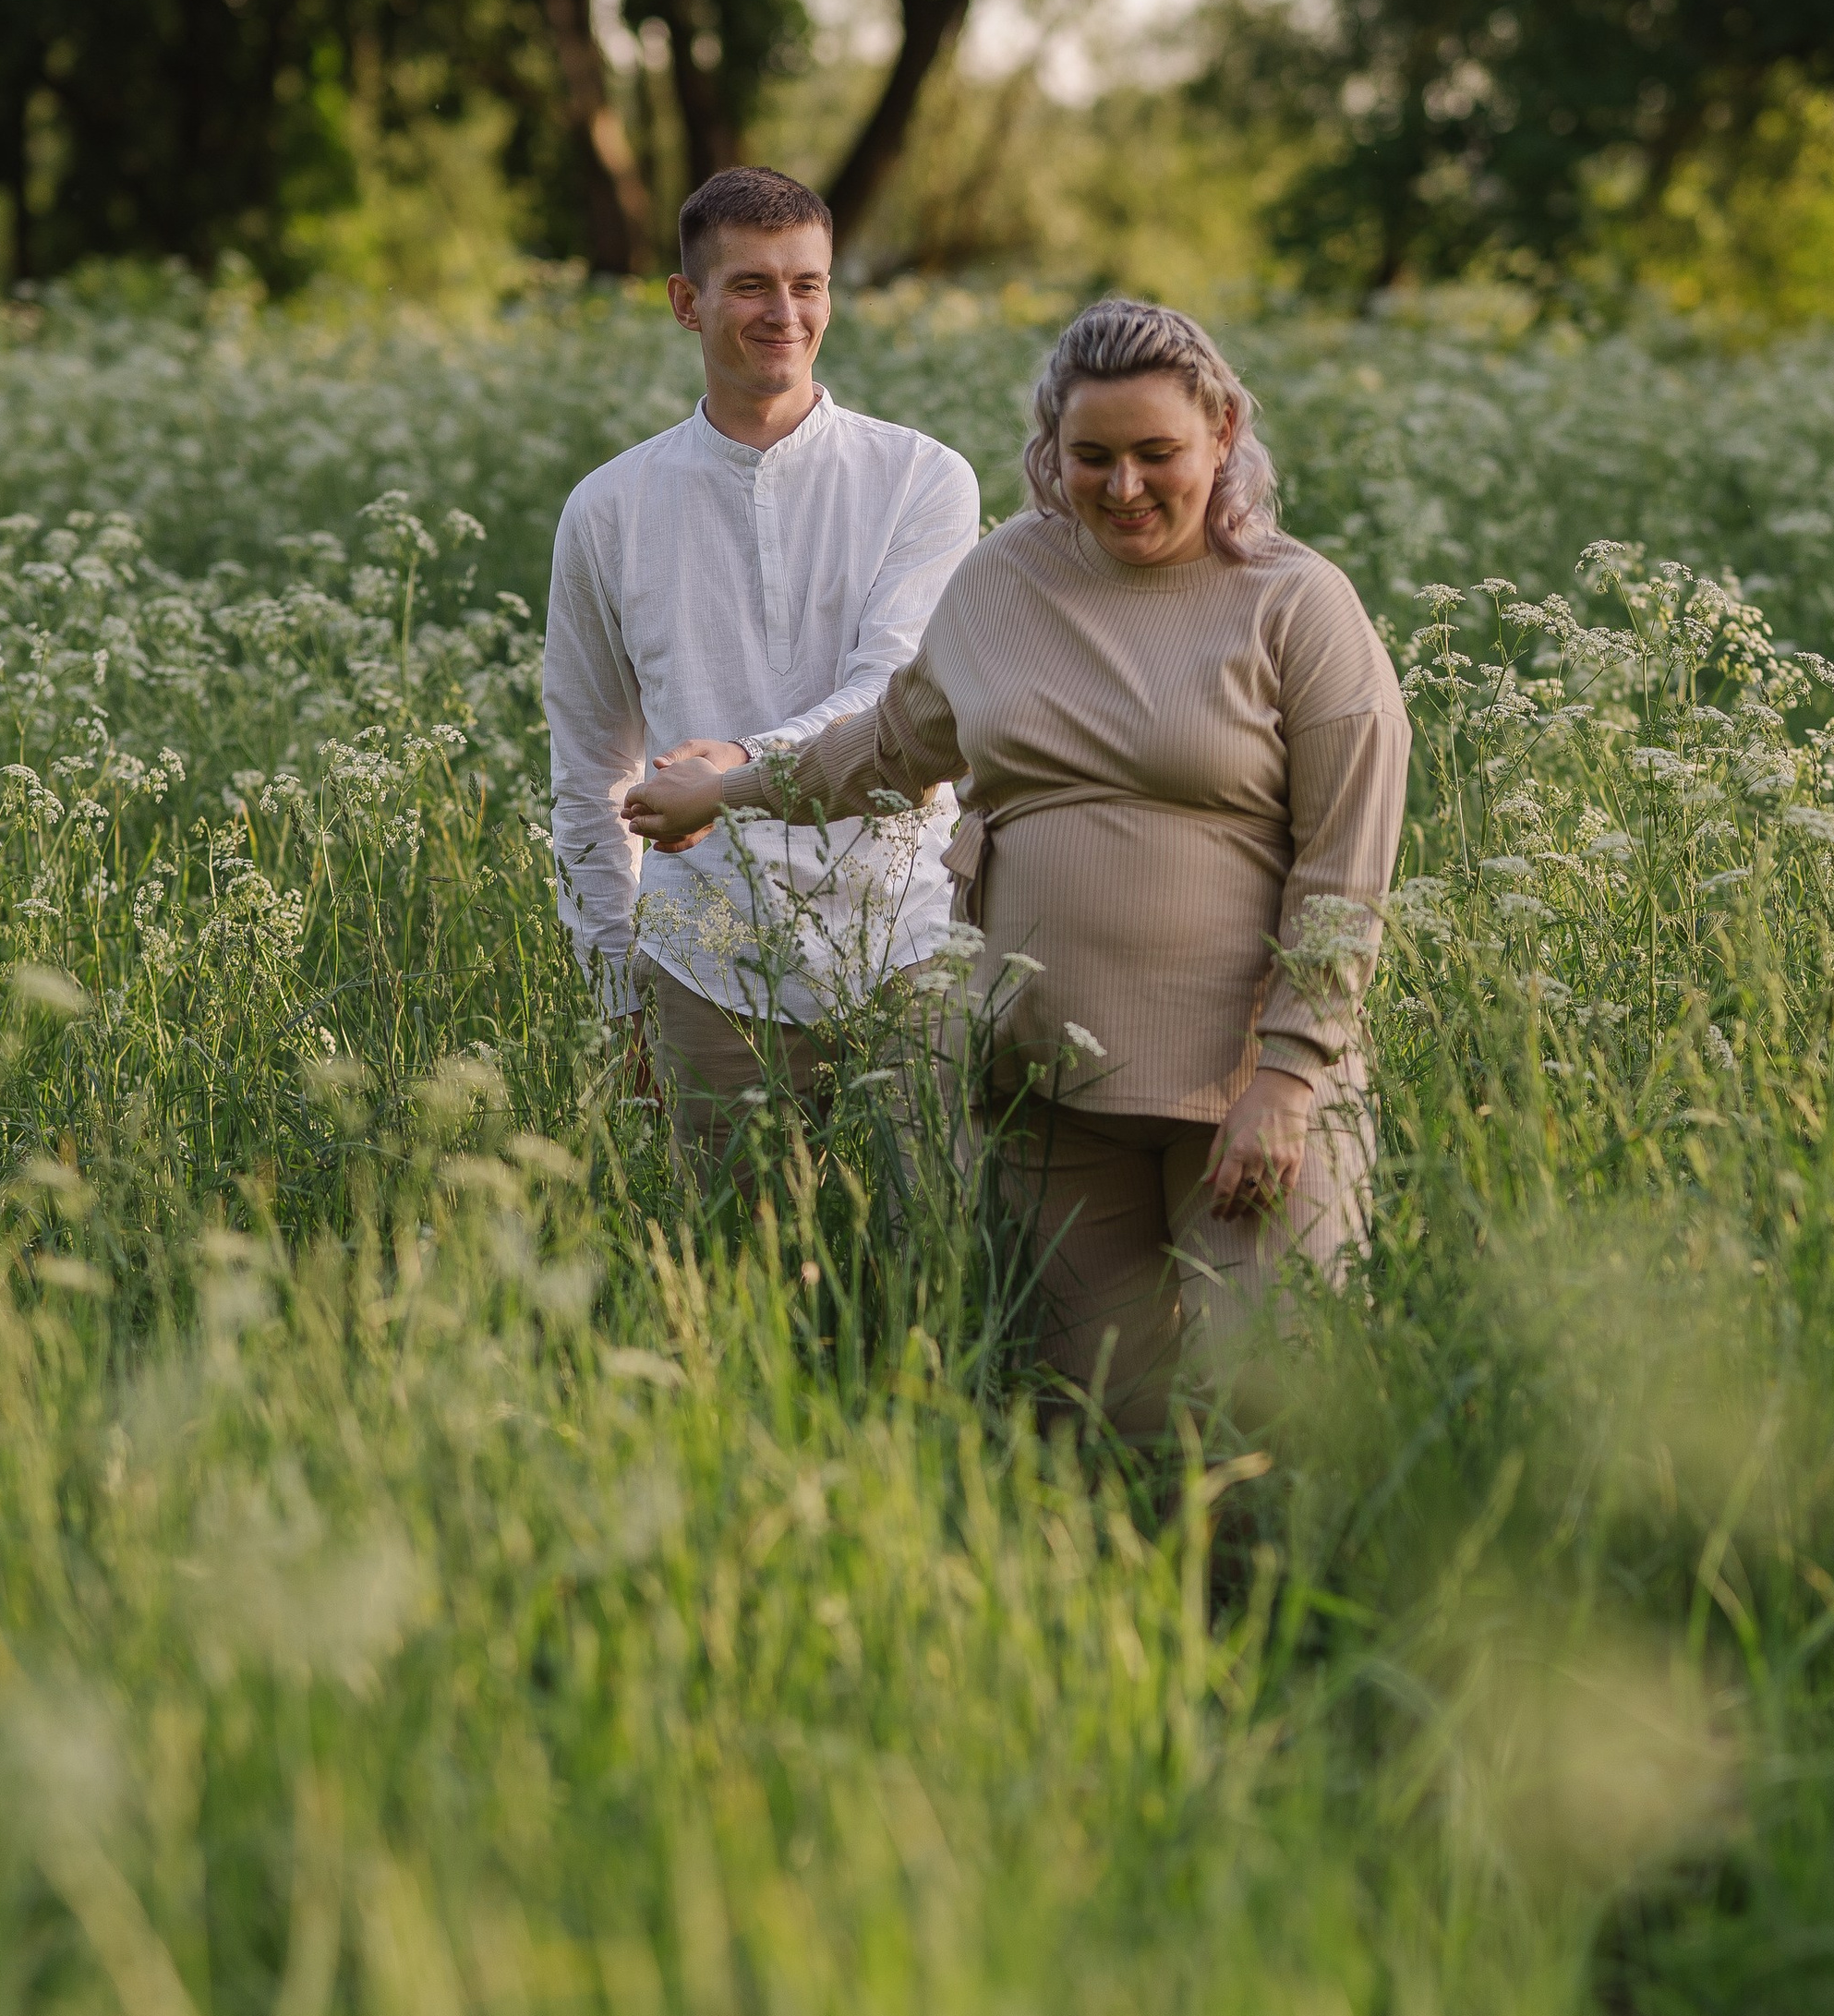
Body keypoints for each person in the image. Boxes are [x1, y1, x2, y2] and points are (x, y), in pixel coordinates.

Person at [621, 296, 1410, 1437]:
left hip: (1244, 1093)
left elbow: (1346, 866)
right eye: (1092, 457)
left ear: (1223, 434)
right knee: (1093, 1426)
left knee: (1270, 1409)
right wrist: (729, 787)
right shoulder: (1002, 583)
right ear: (1051, 450)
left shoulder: (1297, 602)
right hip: (1049, 1091)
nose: (1124, 487)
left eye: (1157, 454)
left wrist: (1290, 1076)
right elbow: (888, 750)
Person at [542, 164, 981, 1144]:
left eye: (806, 284)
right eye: (750, 285)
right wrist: (618, 994)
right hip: (707, 959)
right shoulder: (608, 509)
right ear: (686, 303)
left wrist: (735, 767)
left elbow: (894, 701)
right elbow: (589, 767)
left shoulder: (923, 479)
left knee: (935, 1227)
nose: (785, 313)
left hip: (907, 936)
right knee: (739, 1241)